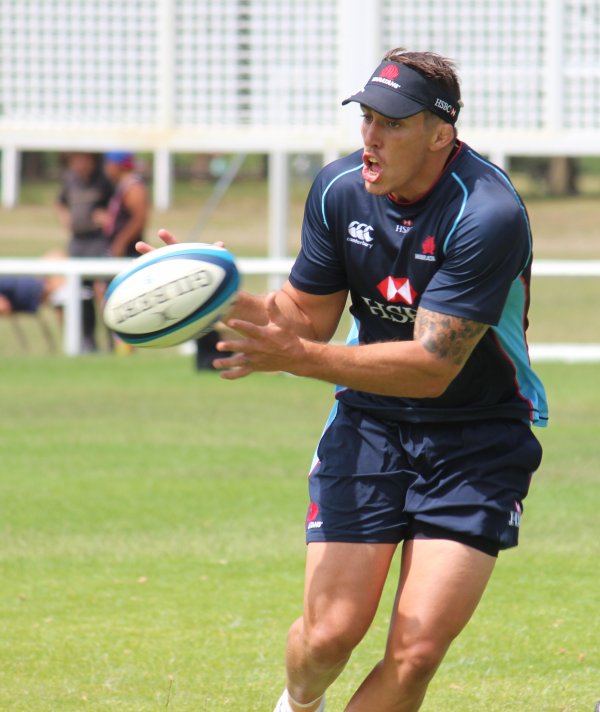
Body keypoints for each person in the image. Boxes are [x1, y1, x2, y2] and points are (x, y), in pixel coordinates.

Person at [138, 49, 548, 712]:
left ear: (441, 134)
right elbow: (307, 314)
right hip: (370, 428)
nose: (370, 135)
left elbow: (432, 367)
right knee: (328, 637)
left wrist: (297, 359)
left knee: (414, 655)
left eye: (392, 122)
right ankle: (298, 702)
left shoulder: (486, 213)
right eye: (366, 116)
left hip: (478, 441)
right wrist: (211, 296)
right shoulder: (339, 191)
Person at [56, 152, 114, 352]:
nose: (79, 164)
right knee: (82, 292)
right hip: (78, 241)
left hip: (98, 241)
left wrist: (107, 218)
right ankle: (87, 340)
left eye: (83, 159)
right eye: (75, 159)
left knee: (106, 291)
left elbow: (117, 206)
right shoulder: (70, 180)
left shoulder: (104, 180)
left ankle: (113, 339)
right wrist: (66, 219)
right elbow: (60, 202)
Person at [96, 151, 150, 258]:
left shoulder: (133, 188)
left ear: (116, 165)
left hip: (129, 252)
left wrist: (121, 242)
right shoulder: (124, 185)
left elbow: (139, 219)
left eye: (108, 163)